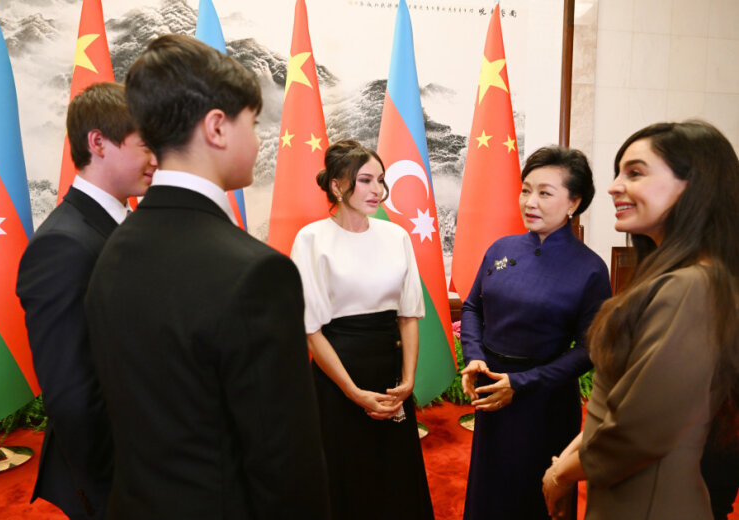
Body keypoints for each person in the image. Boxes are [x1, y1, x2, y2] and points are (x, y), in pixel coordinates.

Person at [83, 34, 329, 519]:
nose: (259, 140)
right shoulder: (257, 273)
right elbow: (285, 466)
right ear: (217, 127)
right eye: (253, 123)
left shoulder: (112, 249)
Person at [542, 121, 739, 520]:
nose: (614, 187)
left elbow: (638, 433)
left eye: (635, 173)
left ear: (694, 186)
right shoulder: (679, 277)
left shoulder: (691, 287)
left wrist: (559, 476)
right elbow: (623, 401)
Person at [16, 82, 156, 519]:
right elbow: (73, 394)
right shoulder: (62, 244)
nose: (157, 158)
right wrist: (112, 496)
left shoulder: (125, 223)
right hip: (114, 477)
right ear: (98, 142)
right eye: (146, 144)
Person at [460, 146, 612, 520]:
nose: (530, 202)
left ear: (574, 201)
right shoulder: (501, 248)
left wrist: (522, 382)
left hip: (545, 398)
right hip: (493, 392)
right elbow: (473, 306)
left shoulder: (590, 268)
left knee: (536, 498)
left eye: (545, 193)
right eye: (526, 190)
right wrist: (474, 356)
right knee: (489, 493)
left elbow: (589, 349)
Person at [290, 139, 434, 520]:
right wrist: (353, 393)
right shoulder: (311, 239)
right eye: (366, 180)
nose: (377, 190)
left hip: (390, 381)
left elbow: (408, 316)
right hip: (336, 382)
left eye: (380, 180)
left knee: (394, 481)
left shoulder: (396, 236)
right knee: (344, 480)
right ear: (337, 186)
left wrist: (408, 381)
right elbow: (311, 331)